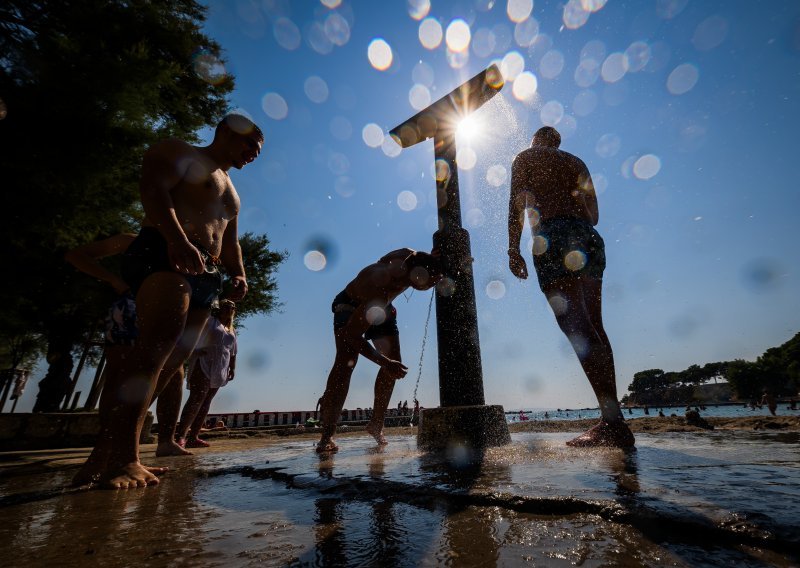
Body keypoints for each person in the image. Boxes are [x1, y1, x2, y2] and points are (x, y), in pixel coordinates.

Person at [75, 113, 263, 488]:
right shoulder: (180, 151)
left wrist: (239, 273)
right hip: (166, 252)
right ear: (226, 131)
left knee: (170, 364)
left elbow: (230, 240)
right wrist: (177, 240)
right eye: (250, 145)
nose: (254, 154)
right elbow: (154, 191)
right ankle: (123, 459)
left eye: (258, 150)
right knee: (152, 354)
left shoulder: (233, 193)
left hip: (207, 273)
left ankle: (110, 453)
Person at [507, 126, 634, 448]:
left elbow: (516, 205)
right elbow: (594, 216)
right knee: (595, 326)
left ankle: (614, 423)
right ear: (558, 142)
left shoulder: (527, 157)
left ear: (536, 140)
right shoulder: (577, 162)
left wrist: (513, 249)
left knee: (576, 326)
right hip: (587, 238)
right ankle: (611, 417)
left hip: (554, 237)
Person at [316, 248, 443, 453]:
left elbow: (387, 258)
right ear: (417, 278)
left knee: (395, 361)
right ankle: (327, 436)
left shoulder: (409, 256)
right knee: (346, 363)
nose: (435, 284)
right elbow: (351, 335)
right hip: (352, 304)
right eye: (432, 281)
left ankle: (376, 423)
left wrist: (433, 259)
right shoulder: (380, 290)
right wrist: (384, 362)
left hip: (383, 309)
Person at [175, 299, 237, 448]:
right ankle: (181, 435)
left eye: (231, 308)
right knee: (197, 398)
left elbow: (233, 351)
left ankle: (194, 437)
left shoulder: (231, 329)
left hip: (220, 366)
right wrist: (194, 350)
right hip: (203, 361)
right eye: (225, 307)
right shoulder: (210, 321)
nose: (228, 310)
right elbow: (192, 336)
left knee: (207, 401)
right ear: (219, 308)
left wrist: (232, 367)